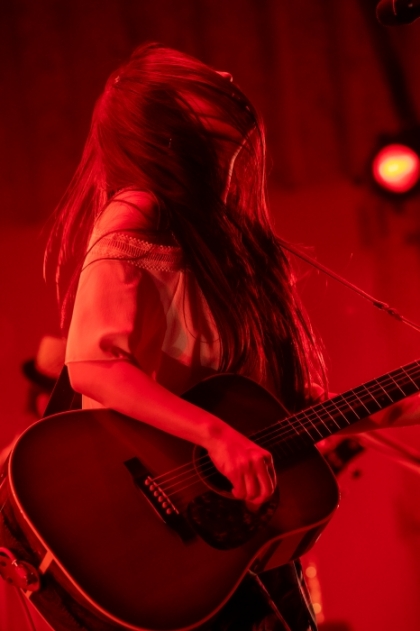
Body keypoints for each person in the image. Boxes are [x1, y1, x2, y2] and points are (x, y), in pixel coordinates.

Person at [17, 43, 420, 630]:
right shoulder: (138, 210)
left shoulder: (226, 242)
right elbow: (94, 366)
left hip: (225, 538)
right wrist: (217, 436)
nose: (226, 74)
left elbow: (287, 408)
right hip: (156, 534)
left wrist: (398, 408)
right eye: (200, 79)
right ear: (163, 119)